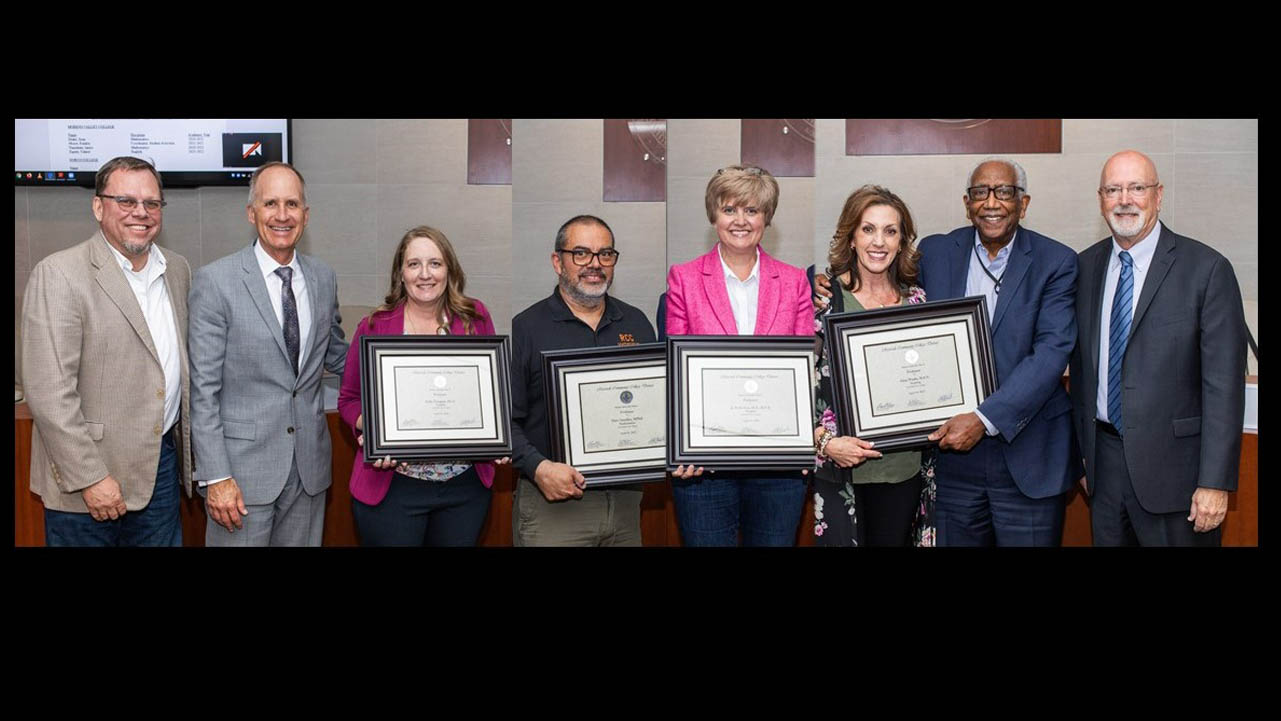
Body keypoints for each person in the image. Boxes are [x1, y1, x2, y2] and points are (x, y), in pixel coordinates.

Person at [816, 159, 1078, 545]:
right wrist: (817, 277)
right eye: (980, 193)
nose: (992, 202)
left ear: (1023, 204)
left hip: (1027, 455)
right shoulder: (936, 253)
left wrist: (984, 417)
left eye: (1004, 192)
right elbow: (874, 292)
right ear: (966, 202)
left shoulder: (1056, 261)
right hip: (952, 466)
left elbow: (1052, 354)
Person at [1069, 150, 1246, 546]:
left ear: (1159, 195)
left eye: (1137, 188)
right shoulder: (1083, 268)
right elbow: (1080, 370)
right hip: (1104, 468)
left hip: (1179, 479)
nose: (1124, 199)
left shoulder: (1206, 269)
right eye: (1113, 189)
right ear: (1100, 199)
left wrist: (1214, 483)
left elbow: (1223, 388)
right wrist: (1081, 456)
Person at [22, 156, 193, 546]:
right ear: (98, 207)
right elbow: (49, 392)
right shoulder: (60, 273)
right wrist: (91, 478)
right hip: (87, 480)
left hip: (160, 472)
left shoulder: (177, 270)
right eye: (126, 201)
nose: (141, 213)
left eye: (151, 203)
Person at [188, 161, 348, 546]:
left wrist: (407, 350)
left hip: (308, 474)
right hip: (240, 478)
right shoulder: (216, 282)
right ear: (251, 212)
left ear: (305, 216)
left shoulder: (323, 278)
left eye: (292, 204)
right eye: (270, 203)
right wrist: (217, 476)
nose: (281, 215)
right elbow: (202, 392)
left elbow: (341, 357)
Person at [664, 164, 813, 546]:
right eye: (730, 209)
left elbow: (804, 368)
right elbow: (675, 369)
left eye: (752, 210)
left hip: (777, 463)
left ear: (767, 217)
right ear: (714, 215)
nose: (740, 221)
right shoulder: (684, 278)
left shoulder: (795, 280)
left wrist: (800, 442)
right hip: (705, 463)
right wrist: (681, 443)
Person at [337, 226, 506, 546]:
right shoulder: (375, 326)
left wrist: (496, 435)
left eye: (435, 263)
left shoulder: (475, 317)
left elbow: (490, 391)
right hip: (392, 487)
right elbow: (349, 399)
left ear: (449, 271)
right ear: (400, 273)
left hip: (464, 488)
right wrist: (373, 429)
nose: (425, 274)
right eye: (414, 264)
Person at [509, 215, 656, 546]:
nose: (594, 264)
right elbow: (504, 422)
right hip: (554, 506)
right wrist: (539, 468)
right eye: (580, 253)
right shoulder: (526, 328)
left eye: (605, 254)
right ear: (557, 261)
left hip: (625, 505)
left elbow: (656, 405)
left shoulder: (637, 323)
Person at [811, 185, 935, 547]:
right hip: (839, 470)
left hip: (902, 470)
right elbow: (790, 392)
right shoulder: (822, 303)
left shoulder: (918, 302)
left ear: (902, 242)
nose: (878, 241)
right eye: (868, 229)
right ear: (851, 237)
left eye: (890, 231)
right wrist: (825, 443)